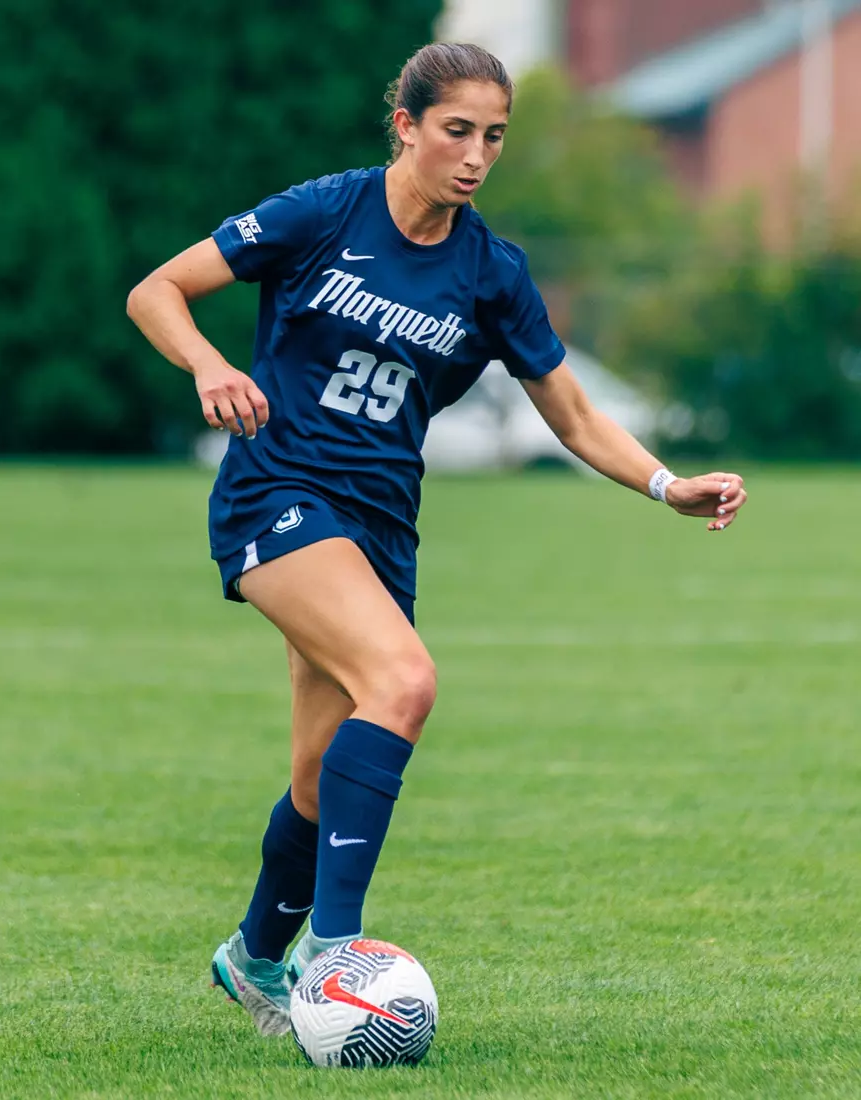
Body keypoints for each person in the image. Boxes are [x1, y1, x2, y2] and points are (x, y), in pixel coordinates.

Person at [127, 41, 748, 1037]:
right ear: (406, 125)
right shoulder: (324, 211)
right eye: (456, 130)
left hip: (381, 526)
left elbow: (575, 412)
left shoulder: (490, 271)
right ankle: (337, 955)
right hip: (278, 494)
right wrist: (205, 363)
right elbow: (156, 289)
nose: (474, 155)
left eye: (493, 137)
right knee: (405, 682)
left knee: (320, 777)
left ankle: (252, 956)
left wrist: (665, 483)